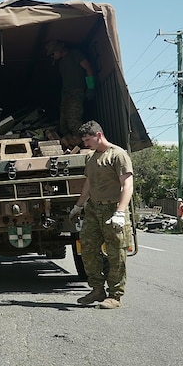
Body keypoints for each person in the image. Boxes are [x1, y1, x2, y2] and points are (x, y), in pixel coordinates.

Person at [69, 120, 134, 309]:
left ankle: (115, 295)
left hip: (113, 209)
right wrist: (79, 206)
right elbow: (88, 184)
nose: (85, 144)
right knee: (87, 249)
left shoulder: (118, 155)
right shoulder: (90, 158)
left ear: (98, 135)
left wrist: (120, 212)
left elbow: (127, 185)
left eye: (88, 140)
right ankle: (97, 289)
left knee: (116, 253)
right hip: (93, 209)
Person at [46, 40, 96, 148]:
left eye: (53, 53)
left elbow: (88, 68)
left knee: (74, 121)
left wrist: (91, 87)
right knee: (63, 123)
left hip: (76, 92)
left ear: (58, 49)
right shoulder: (61, 62)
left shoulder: (75, 54)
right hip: (66, 94)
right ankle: (70, 146)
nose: (53, 56)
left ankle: (88, 143)